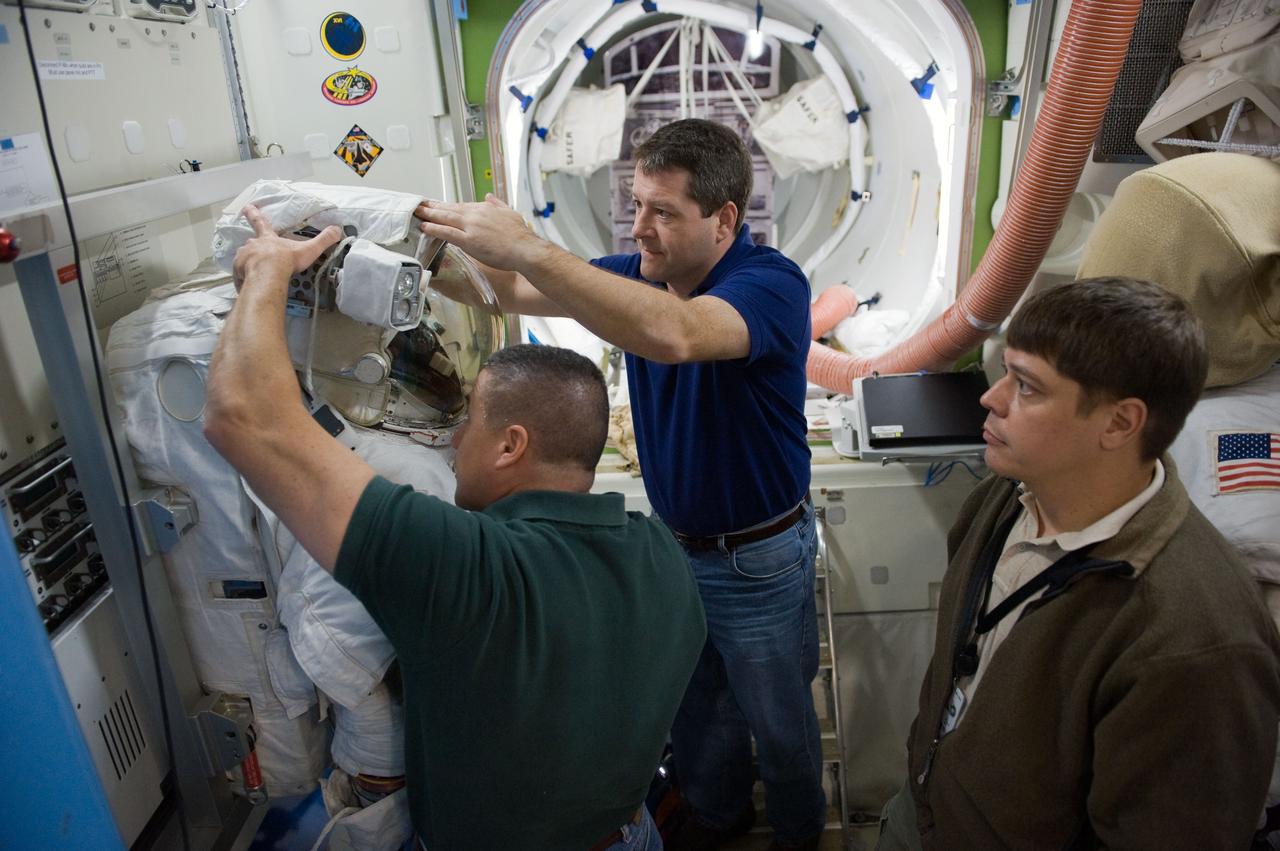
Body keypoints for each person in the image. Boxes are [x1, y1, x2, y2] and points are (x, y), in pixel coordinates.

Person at [203, 204, 707, 851]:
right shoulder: (663, 554)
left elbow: (238, 416)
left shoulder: (460, 564)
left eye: (472, 419)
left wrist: (266, 270)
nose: (457, 435)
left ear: (510, 445)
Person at [418, 118, 826, 850]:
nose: (641, 229)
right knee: (698, 717)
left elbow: (677, 334)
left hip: (758, 562)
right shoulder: (641, 273)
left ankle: (801, 839)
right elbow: (509, 286)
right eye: (635, 205)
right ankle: (716, 826)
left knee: (783, 728)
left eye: (663, 211)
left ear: (725, 218)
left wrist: (533, 247)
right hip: (678, 552)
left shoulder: (770, 284)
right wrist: (414, 252)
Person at [876, 277, 1280, 851]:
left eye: (1027, 387)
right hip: (923, 809)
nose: (990, 398)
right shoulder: (1006, 494)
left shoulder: (1198, 639)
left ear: (1119, 423)